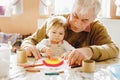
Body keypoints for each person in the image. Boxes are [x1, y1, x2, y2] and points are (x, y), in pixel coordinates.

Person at [21, 0, 119, 66]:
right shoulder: (56, 21)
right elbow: (30, 40)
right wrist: (28, 47)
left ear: (93, 18)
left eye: (85, 20)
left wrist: (90, 51)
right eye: (75, 16)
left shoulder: (97, 27)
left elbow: (114, 49)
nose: (77, 23)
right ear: (71, 10)